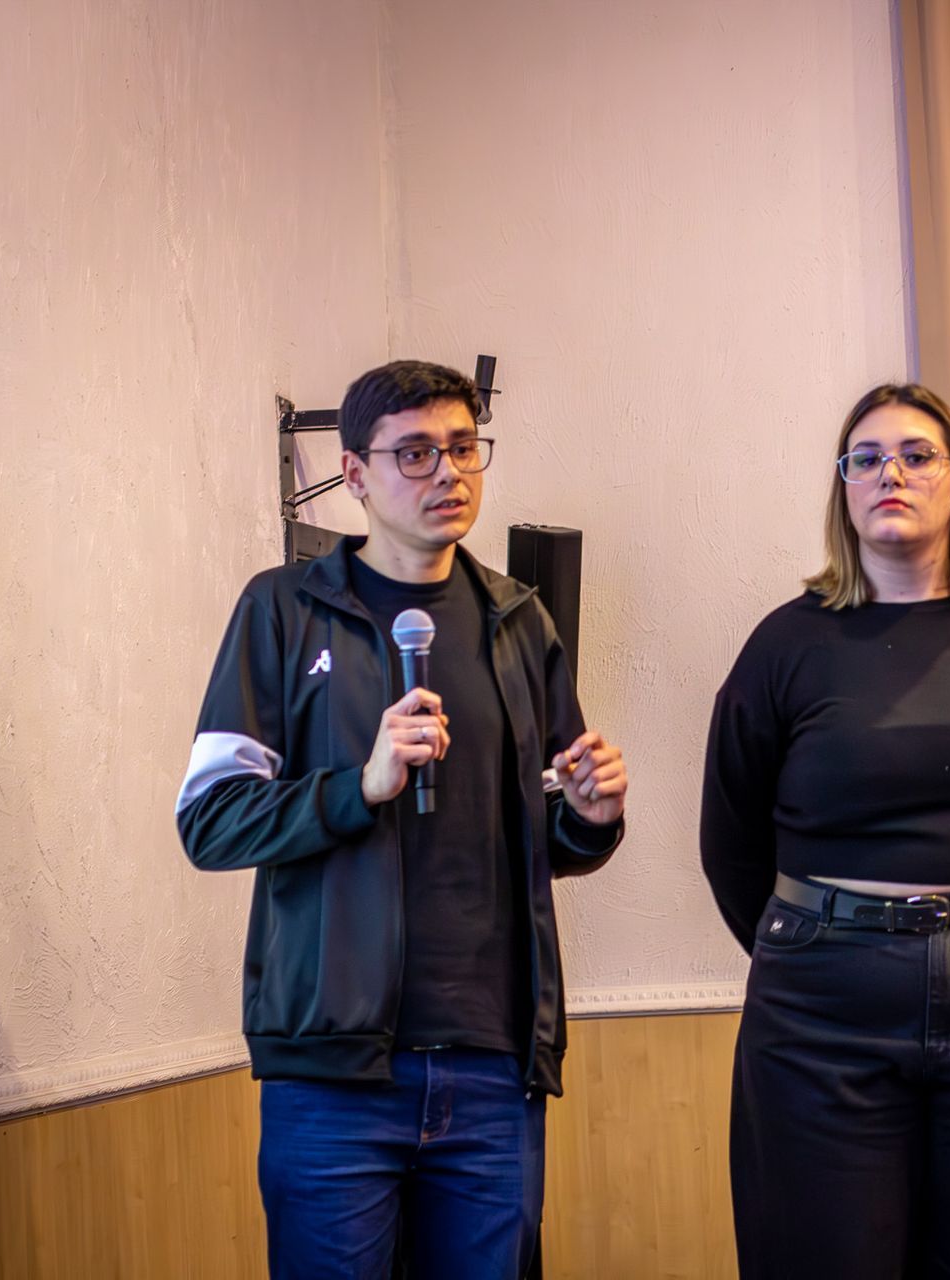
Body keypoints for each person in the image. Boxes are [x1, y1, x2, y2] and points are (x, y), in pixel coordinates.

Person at [176, 360, 627, 1279]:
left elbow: (544, 832)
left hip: (494, 1067)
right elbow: (211, 820)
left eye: (462, 447)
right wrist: (360, 785)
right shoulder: (283, 610)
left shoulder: (519, 622)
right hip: (334, 1075)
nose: (447, 472)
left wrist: (588, 817)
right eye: (415, 452)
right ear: (354, 472)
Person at [700, 382, 950, 1278]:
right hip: (822, 1012)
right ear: (843, 488)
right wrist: (824, 939)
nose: (890, 472)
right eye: (867, 458)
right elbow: (730, 839)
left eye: (917, 456)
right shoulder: (785, 646)